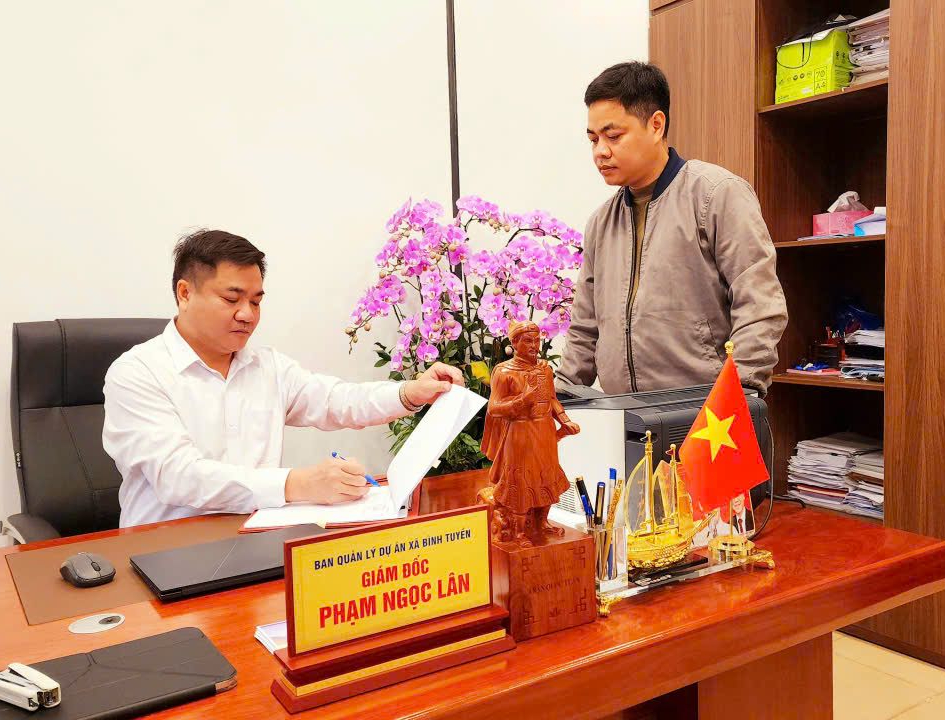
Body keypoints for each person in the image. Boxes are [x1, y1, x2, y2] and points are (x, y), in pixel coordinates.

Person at [102, 229, 463, 528]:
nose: (247, 314)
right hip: (165, 549)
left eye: (256, 302)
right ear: (185, 293)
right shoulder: (137, 373)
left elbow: (337, 400)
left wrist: (410, 393)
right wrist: (299, 483)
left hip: (256, 539)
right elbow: (179, 476)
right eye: (231, 299)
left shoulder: (267, 366)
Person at [558, 61, 787, 395]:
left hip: (707, 411)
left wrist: (738, 394)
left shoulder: (717, 194)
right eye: (593, 140)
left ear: (656, 125)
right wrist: (560, 395)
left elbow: (760, 306)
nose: (600, 152)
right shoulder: (601, 222)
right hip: (624, 413)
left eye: (613, 136)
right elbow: (584, 329)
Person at [481, 321, 580, 546]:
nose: (534, 345)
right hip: (520, 433)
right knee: (522, 480)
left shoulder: (544, 369)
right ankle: (518, 532)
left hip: (544, 430)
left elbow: (552, 399)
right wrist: (522, 400)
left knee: (547, 476)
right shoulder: (504, 372)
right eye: (528, 341)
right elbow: (494, 408)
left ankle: (541, 522)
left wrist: (565, 420)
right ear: (514, 343)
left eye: (537, 340)